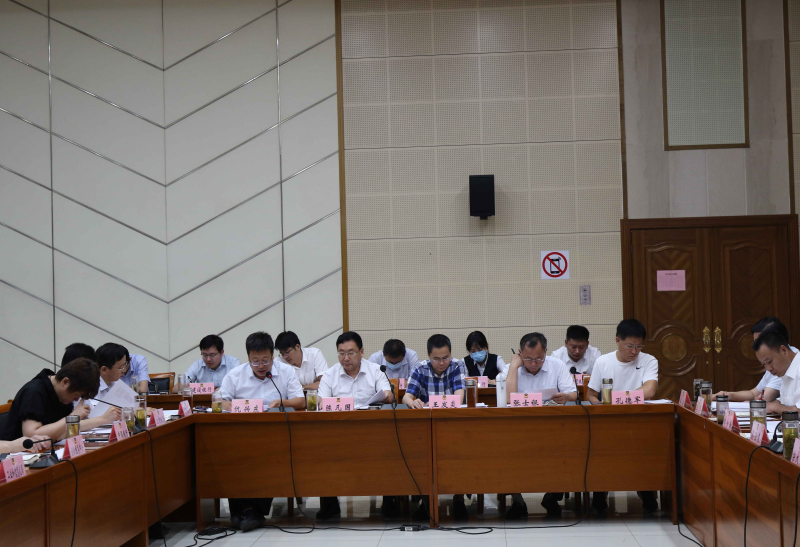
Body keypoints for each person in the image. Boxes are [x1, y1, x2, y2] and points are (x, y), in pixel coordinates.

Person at [218, 331, 305, 532]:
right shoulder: (235, 375)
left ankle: (251, 512)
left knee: (269, 456)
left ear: (273, 356)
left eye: (265, 360)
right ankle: (246, 511)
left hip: (275, 434)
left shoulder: (286, 372)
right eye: (255, 361)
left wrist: (282, 402)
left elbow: (300, 401)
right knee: (232, 456)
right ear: (248, 358)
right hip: (241, 434)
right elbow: (220, 402)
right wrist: (236, 406)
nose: (260, 366)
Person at [317, 331, 393, 520]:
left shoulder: (376, 370)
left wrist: (387, 395)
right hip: (338, 432)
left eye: (351, 353)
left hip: (373, 431)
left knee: (390, 449)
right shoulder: (330, 375)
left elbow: (388, 393)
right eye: (341, 353)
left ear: (361, 352)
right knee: (322, 450)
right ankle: (329, 504)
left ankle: (390, 499)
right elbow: (321, 402)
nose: (346, 358)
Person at [587, 319, 659, 513]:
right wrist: (602, 407)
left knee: (647, 448)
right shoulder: (603, 362)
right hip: (608, 421)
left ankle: (646, 490)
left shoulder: (649, 360)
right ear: (617, 340)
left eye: (639, 346)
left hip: (639, 421)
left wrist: (618, 399)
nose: (635, 351)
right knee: (601, 449)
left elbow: (650, 390)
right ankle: (600, 492)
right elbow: (591, 395)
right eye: (630, 346)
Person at [504, 332, 577, 518]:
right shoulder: (511, 368)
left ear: (545, 352)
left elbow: (573, 394)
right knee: (506, 451)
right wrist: (514, 366)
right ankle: (518, 501)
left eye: (539, 358)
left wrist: (565, 396)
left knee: (567, 450)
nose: (534, 363)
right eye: (528, 359)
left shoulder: (557, 365)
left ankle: (552, 496)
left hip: (552, 426)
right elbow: (509, 399)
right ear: (520, 353)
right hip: (518, 428)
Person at [402, 334, 469, 521]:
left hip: (453, 425)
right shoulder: (420, 368)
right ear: (428, 355)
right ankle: (426, 501)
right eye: (436, 359)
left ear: (451, 354)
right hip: (427, 427)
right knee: (422, 457)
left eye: (445, 358)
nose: (441, 363)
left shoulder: (457, 365)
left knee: (461, 455)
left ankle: (459, 499)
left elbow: (459, 396)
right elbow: (406, 396)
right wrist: (413, 402)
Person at [0, 358, 119, 441]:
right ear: (65, 382)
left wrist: (102, 419)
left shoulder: (61, 393)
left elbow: (63, 429)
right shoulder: (34, 392)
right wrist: (72, 417)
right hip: (15, 458)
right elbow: (32, 435)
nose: (76, 400)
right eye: (76, 395)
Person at [713, 317, 796, 403]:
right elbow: (754, 393)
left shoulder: (785, 363)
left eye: (759, 341)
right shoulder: (772, 361)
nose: (768, 368)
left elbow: (764, 399)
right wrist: (727, 395)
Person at [752, 330, 800, 414]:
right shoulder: (786, 370)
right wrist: (770, 404)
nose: (768, 368)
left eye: (769, 361)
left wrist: (774, 407)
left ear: (784, 350)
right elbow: (786, 402)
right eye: (764, 364)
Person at [176, 334, 240, 392]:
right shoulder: (197, 365)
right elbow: (176, 389)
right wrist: (184, 387)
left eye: (212, 355)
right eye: (205, 355)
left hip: (226, 400)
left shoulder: (233, 363)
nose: (208, 359)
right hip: (203, 401)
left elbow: (238, 386)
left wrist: (222, 390)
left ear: (221, 352)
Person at [84, 343, 130, 415]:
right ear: (104, 369)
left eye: (125, 365)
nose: (124, 370)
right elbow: (94, 415)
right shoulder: (90, 387)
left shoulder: (116, 383)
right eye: (121, 367)